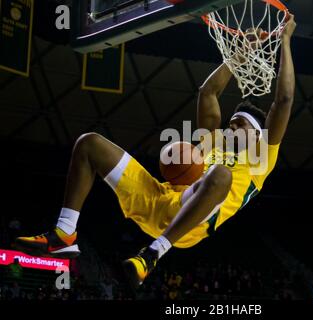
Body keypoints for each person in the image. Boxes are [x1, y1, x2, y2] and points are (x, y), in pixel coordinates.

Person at [15, 15, 297, 289]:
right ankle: (64, 232)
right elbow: (208, 92)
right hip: (158, 198)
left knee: (220, 174)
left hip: (191, 223)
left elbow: (283, 100)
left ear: (258, 135)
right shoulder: (214, 141)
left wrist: (284, 41)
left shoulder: (261, 160)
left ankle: (152, 255)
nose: (232, 128)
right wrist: (240, 54)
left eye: (241, 125)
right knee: (90, 144)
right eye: (232, 123)